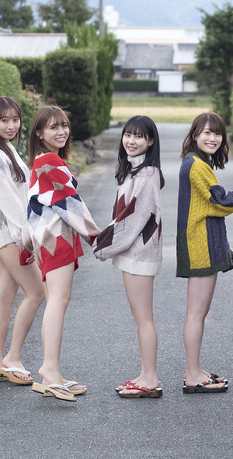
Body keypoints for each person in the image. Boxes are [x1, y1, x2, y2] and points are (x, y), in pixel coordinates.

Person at [23, 106, 101, 402]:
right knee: (58, 300)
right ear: (39, 133)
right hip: (55, 239)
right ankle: (49, 369)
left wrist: (26, 245)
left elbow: (31, 207)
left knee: (55, 301)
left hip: (46, 240)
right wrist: (97, 237)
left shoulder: (40, 162)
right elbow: (71, 204)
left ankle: (51, 374)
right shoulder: (49, 162)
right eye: (53, 127)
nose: (61, 131)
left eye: (64, 125)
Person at [94, 116, 164, 399]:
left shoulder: (146, 175)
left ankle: (150, 378)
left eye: (138, 136)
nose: (131, 141)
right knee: (141, 318)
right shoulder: (135, 171)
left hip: (140, 254)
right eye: (127, 135)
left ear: (150, 141)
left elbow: (131, 220)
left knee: (144, 318)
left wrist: (102, 245)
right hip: (136, 253)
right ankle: (145, 374)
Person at [0, 97, 45, 385]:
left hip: (4, 232)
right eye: (4, 120)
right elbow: (8, 201)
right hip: (8, 232)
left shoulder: (4, 148)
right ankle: (12, 358)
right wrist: (26, 237)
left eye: (15, 120)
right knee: (37, 292)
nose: (11, 125)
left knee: (4, 298)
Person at [176, 112, 233, 394]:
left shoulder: (197, 162)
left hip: (201, 243)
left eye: (217, 133)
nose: (213, 138)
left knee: (198, 313)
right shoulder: (196, 165)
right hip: (200, 246)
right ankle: (192, 374)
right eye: (207, 132)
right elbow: (221, 203)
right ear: (195, 135)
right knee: (196, 313)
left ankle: (195, 369)